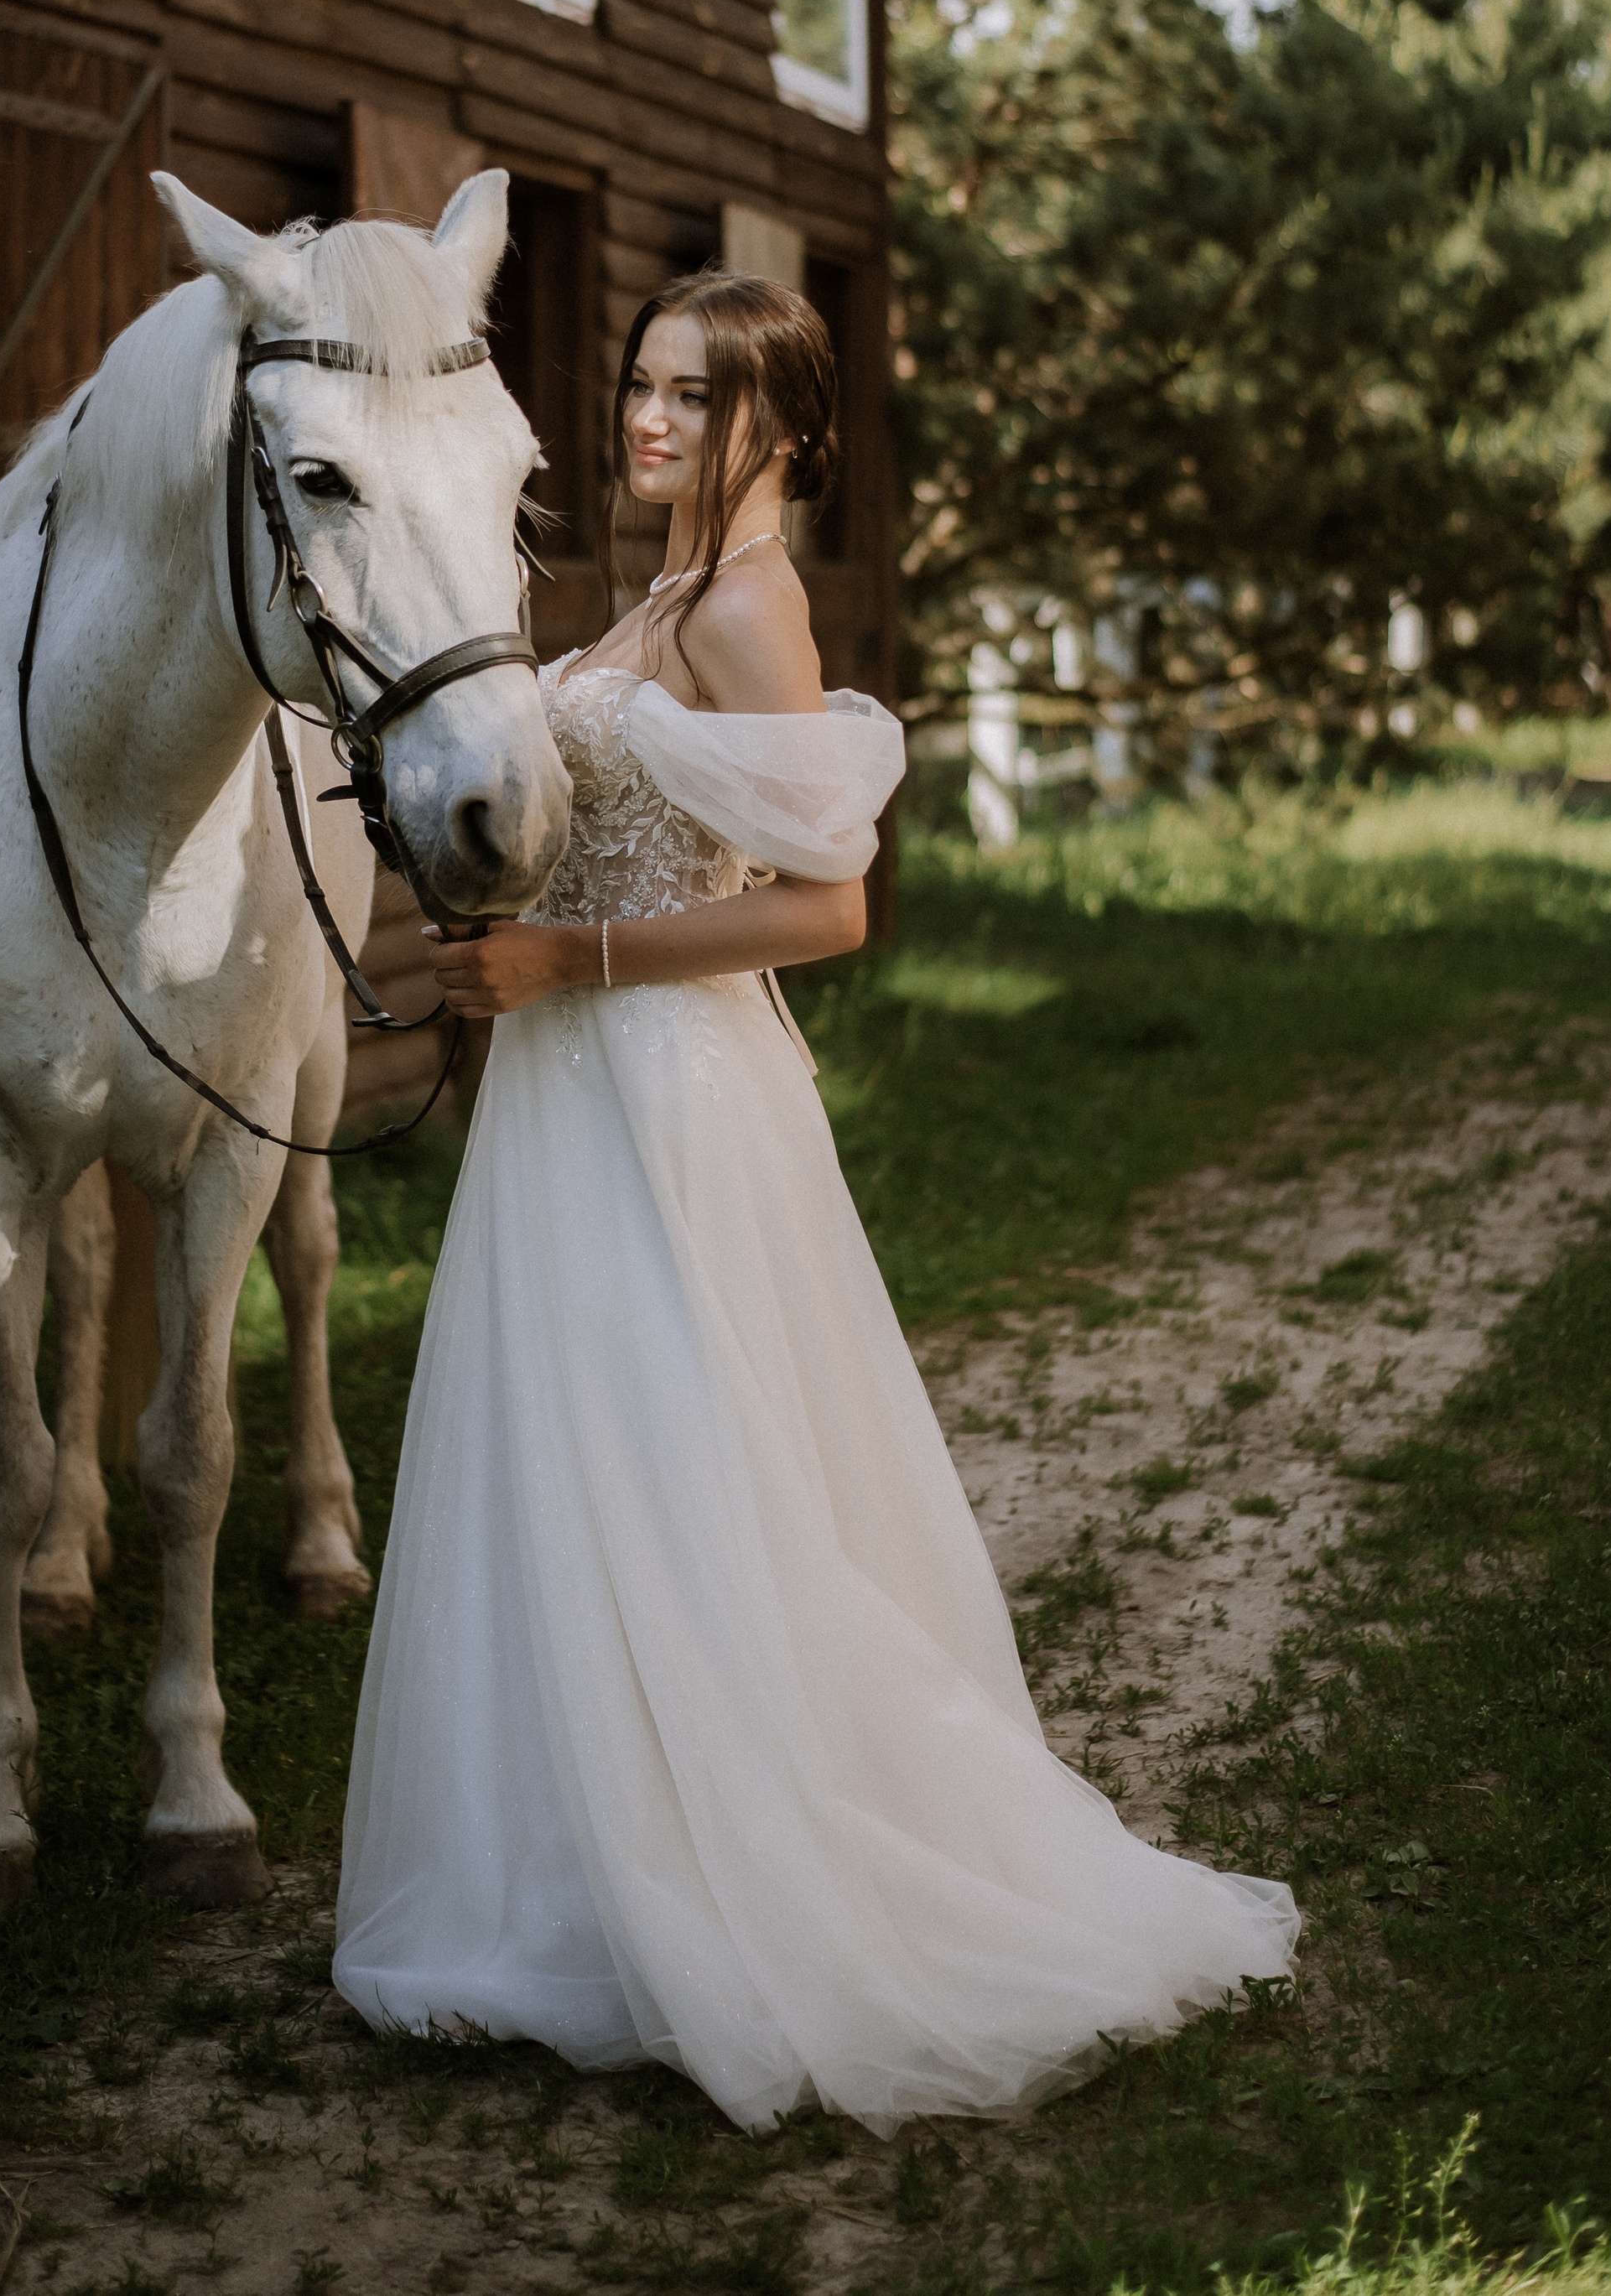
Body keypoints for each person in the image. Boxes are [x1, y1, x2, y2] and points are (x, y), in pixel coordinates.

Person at [330, 271, 1297, 2132]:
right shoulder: (649, 601)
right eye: (637, 384)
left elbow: (826, 908)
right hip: (568, 1085)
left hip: (667, 1090)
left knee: (685, 1469)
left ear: (782, 426)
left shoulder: (750, 608)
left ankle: (752, 1879)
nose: (648, 419)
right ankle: (570, 1886)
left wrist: (573, 959)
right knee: (569, 1470)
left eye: (694, 396)